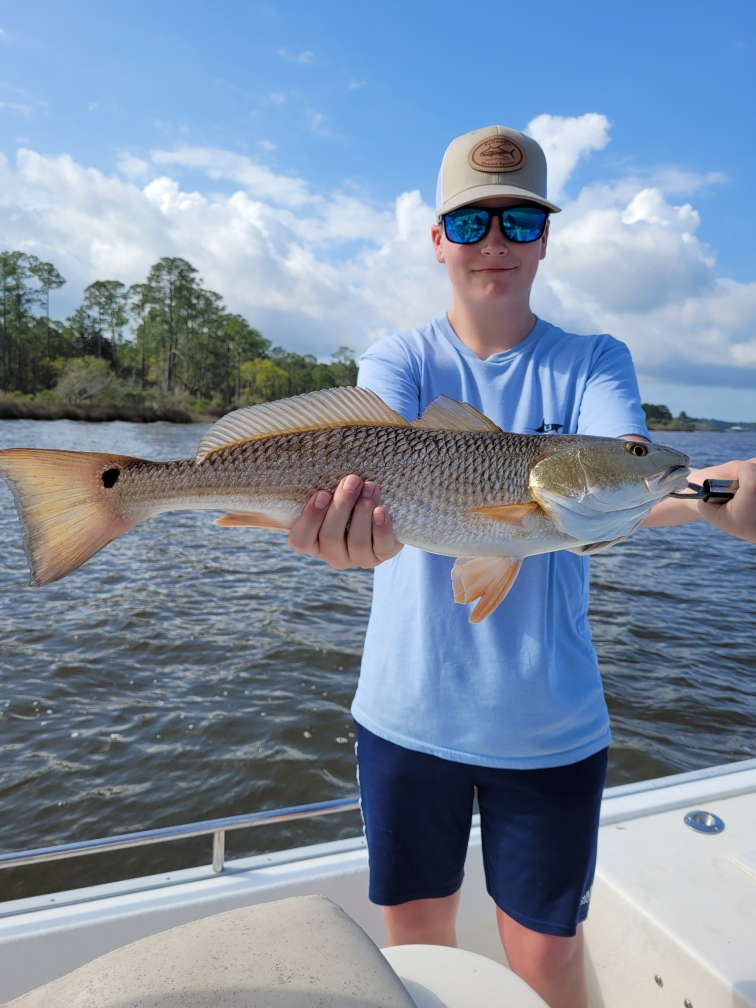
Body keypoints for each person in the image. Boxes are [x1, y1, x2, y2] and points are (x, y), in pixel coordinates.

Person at [287, 125, 756, 1008]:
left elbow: (623, 467)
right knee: (418, 946)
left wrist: (702, 494)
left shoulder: (594, 361)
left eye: (517, 220)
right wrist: (345, 539)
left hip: (549, 729)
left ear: (546, 236)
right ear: (437, 240)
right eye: (469, 224)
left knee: (545, 960)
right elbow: (369, 461)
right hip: (404, 716)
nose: (493, 241)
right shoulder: (402, 359)